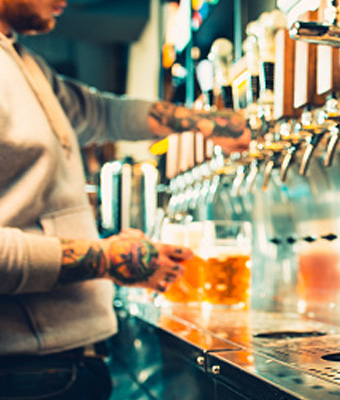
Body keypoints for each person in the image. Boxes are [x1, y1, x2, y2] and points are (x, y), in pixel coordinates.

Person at [0, 0, 252, 398]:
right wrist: (108, 258)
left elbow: (100, 112)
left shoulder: (18, 60)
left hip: (62, 363)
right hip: (27, 373)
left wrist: (204, 122)